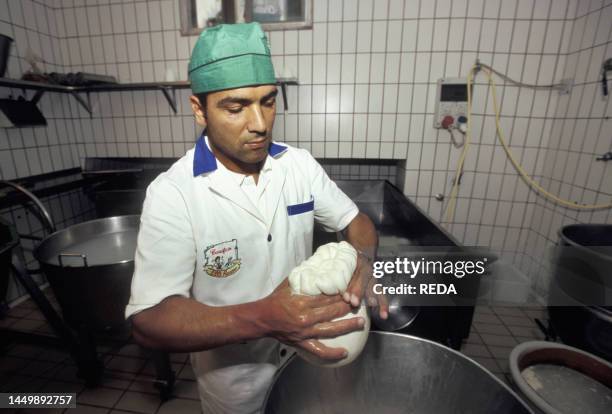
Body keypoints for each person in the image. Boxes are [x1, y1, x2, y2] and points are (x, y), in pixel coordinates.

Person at [125, 22, 387, 413]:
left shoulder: (298, 166)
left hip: (308, 368)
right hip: (235, 385)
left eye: (268, 101)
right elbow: (149, 319)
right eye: (236, 107)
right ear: (199, 109)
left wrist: (363, 260)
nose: (261, 124)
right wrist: (264, 318)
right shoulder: (174, 193)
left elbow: (356, 222)